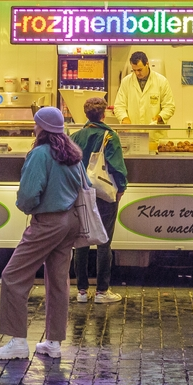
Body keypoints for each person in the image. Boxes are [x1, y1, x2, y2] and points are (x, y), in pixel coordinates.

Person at [0, 106, 87, 360]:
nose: (34, 128)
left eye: (36, 124)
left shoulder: (40, 154)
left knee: (13, 276)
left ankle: (18, 341)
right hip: (71, 222)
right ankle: (53, 343)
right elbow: (84, 187)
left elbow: (28, 194)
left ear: (42, 128)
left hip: (48, 222)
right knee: (58, 280)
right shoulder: (73, 154)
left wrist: (26, 207)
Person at [71, 97, 128, 304]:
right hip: (104, 195)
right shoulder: (110, 136)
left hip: (80, 193)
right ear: (104, 114)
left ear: (86, 114)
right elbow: (117, 167)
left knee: (82, 241)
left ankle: (82, 292)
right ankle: (102, 291)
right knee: (104, 241)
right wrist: (121, 188)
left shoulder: (75, 136)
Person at [113, 51, 175, 125]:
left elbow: (169, 106)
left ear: (147, 64)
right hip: (133, 132)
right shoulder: (126, 82)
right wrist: (124, 118)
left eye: (139, 70)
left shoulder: (162, 81)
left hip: (154, 133)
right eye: (134, 70)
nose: (137, 73)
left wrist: (159, 117)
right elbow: (119, 105)